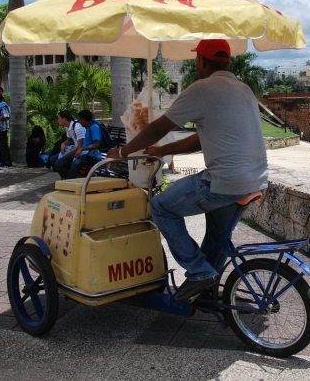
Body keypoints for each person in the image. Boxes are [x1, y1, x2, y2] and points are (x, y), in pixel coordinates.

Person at [107, 39, 269, 302]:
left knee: (160, 207)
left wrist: (123, 153)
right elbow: (201, 139)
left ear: (201, 62)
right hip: (256, 180)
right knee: (217, 237)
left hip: (225, 182)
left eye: (196, 60)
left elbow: (158, 129)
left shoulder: (202, 89)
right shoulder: (244, 89)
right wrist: (160, 151)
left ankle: (199, 271)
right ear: (227, 61)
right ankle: (206, 294)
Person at [57, 109, 101, 179]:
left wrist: (82, 148)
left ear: (83, 119)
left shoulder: (94, 127)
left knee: (75, 163)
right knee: (59, 163)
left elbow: (96, 144)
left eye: (79, 120)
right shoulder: (87, 127)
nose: (79, 122)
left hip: (90, 154)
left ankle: (70, 181)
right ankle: (70, 180)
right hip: (83, 152)